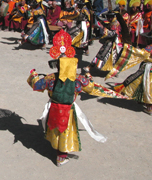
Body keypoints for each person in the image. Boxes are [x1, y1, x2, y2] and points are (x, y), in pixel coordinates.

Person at [27, 30, 127, 166]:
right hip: (69, 110)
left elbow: (37, 85)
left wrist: (33, 75)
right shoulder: (78, 80)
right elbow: (93, 88)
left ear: (58, 65)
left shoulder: (51, 78)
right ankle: (61, 156)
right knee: (66, 131)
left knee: (55, 128)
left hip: (54, 107)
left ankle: (57, 150)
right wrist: (109, 90)